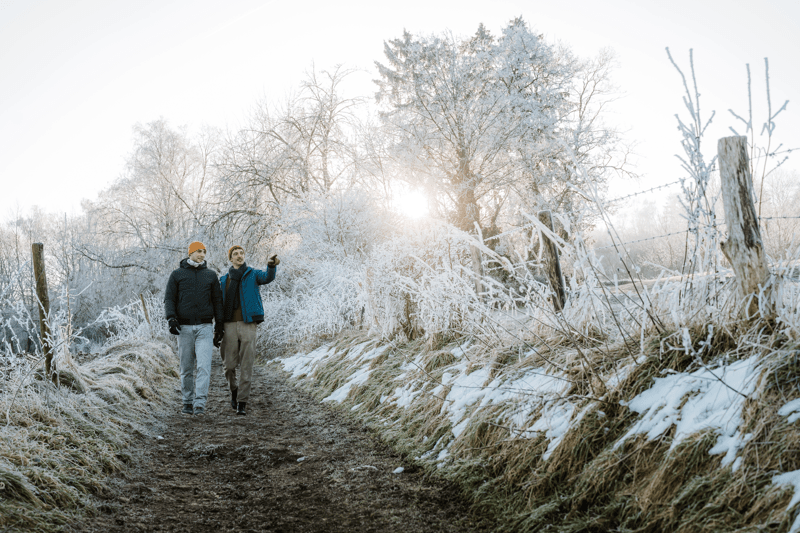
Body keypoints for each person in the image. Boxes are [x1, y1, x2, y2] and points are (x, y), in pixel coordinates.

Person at [164, 241, 224, 416]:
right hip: (184, 328)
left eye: (204, 252)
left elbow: (217, 301)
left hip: (205, 327)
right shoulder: (177, 275)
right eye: (198, 251)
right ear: (190, 253)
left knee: (204, 367)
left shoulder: (210, 275)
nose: (202, 254)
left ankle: (200, 403)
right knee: (186, 368)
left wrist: (219, 325)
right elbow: (169, 299)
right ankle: (187, 401)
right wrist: (171, 318)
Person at [219, 245, 279, 416]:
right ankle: (234, 390)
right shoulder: (224, 280)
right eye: (235, 254)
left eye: (241, 253)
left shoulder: (253, 274)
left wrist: (271, 265)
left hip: (248, 324)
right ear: (230, 259)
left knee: (246, 364)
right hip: (228, 325)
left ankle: (242, 402)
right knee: (228, 366)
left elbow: (268, 277)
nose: (239, 256)